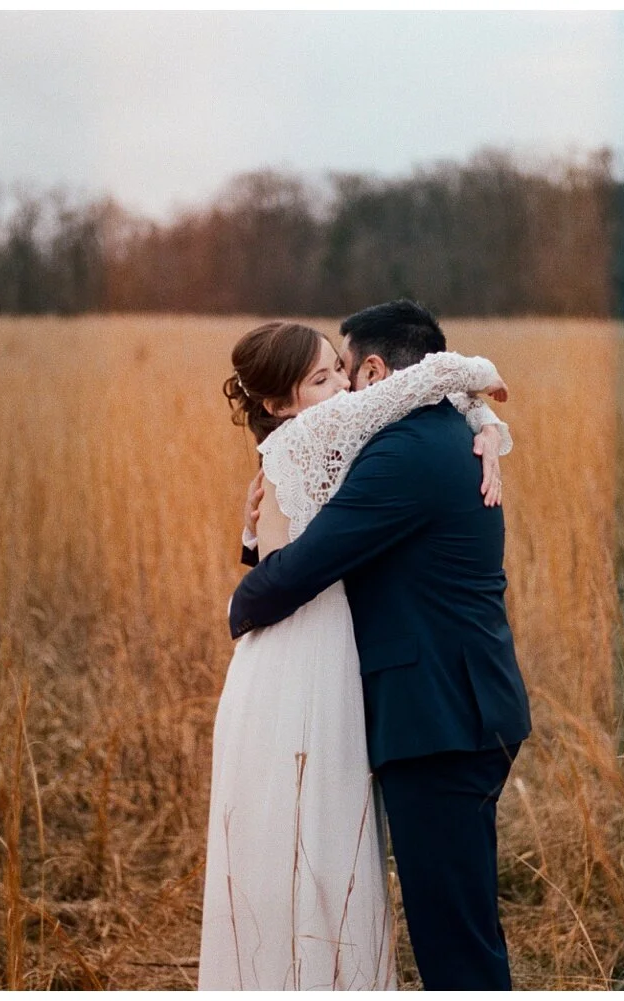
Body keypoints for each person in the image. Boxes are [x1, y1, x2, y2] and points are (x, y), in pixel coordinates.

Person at [198, 317, 513, 990]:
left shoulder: (401, 447)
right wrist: (479, 405)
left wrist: (241, 599)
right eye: (321, 376)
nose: (341, 384)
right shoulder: (389, 436)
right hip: (400, 696)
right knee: (320, 860)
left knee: (449, 935)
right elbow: (296, 553)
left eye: (341, 369)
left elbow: (299, 565)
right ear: (278, 402)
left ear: (372, 371)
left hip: (439, 718)